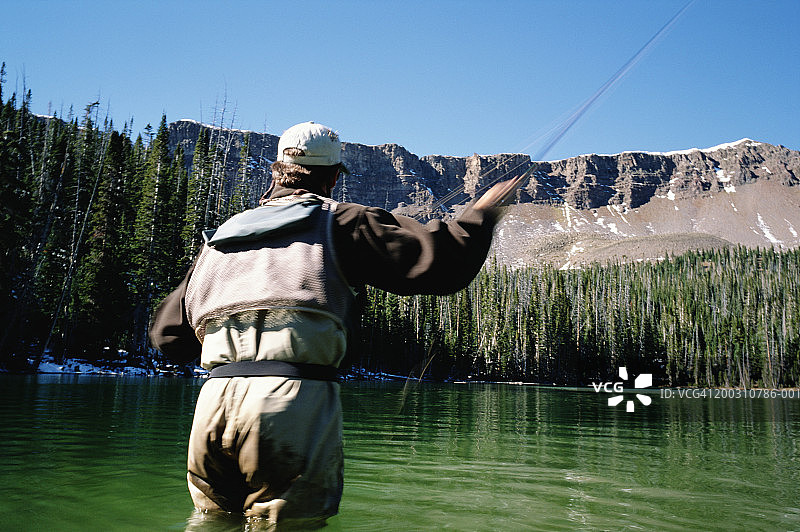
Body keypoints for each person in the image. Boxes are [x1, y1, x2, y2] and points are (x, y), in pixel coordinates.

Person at [149, 121, 512, 526]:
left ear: (276, 170)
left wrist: (234, 354)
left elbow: (167, 335)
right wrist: (481, 215)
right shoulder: (345, 222)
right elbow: (441, 266)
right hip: (292, 402)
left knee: (213, 523)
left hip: (212, 405)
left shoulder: (217, 241)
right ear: (335, 176)